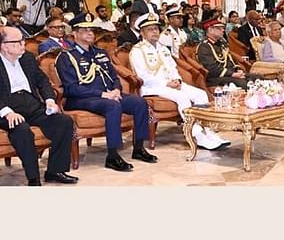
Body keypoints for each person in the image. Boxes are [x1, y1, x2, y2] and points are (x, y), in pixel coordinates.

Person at [55, 16, 158, 171]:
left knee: (139, 103)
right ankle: (112, 155)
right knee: (113, 106)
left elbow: (113, 77)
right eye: (85, 30)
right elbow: (71, 88)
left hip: (109, 94)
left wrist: (116, 89)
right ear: (74, 35)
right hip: (82, 98)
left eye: (91, 30)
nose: (90, 33)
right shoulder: (67, 57)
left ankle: (138, 148)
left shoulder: (100, 53)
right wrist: (103, 94)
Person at [129, 13, 230, 150]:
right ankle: (197, 136)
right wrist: (166, 83)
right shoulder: (137, 51)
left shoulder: (163, 48)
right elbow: (143, 76)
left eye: (156, 29)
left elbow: (172, 67)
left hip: (172, 84)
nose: (154, 32)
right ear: (142, 32)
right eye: (150, 29)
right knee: (183, 98)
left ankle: (208, 132)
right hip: (153, 87)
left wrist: (177, 79)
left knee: (201, 94)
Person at [0, 26, 76, 186]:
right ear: (4, 45)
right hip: (6, 106)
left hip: (30, 103)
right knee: (22, 130)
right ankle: (33, 178)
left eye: (23, 40)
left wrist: (49, 100)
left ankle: (55, 171)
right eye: (18, 41)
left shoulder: (27, 58)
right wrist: (7, 112)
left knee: (64, 122)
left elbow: (42, 80)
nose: (23, 44)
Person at [197, 19, 252, 89]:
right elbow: (211, 68)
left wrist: (238, 70)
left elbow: (231, 60)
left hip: (229, 75)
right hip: (216, 78)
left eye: (223, 28)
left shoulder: (221, 44)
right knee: (244, 83)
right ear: (210, 30)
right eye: (219, 28)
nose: (223, 30)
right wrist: (232, 74)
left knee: (257, 78)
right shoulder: (204, 47)